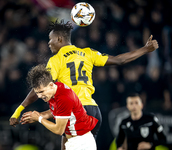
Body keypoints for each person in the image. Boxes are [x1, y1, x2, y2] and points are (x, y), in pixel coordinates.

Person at [9, 20, 158, 149]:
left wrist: (19, 110)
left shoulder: (56, 60)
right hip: (93, 109)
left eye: (51, 39)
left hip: (75, 110)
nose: (48, 43)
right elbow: (119, 60)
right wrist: (145, 49)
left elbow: (40, 88)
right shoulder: (87, 53)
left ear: (60, 39)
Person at [20, 64, 98, 150]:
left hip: (82, 143)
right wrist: (37, 115)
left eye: (41, 91)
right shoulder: (54, 91)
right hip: (73, 142)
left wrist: (39, 119)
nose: (39, 96)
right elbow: (58, 110)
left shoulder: (64, 98)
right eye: (37, 92)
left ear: (51, 85)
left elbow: (59, 130)